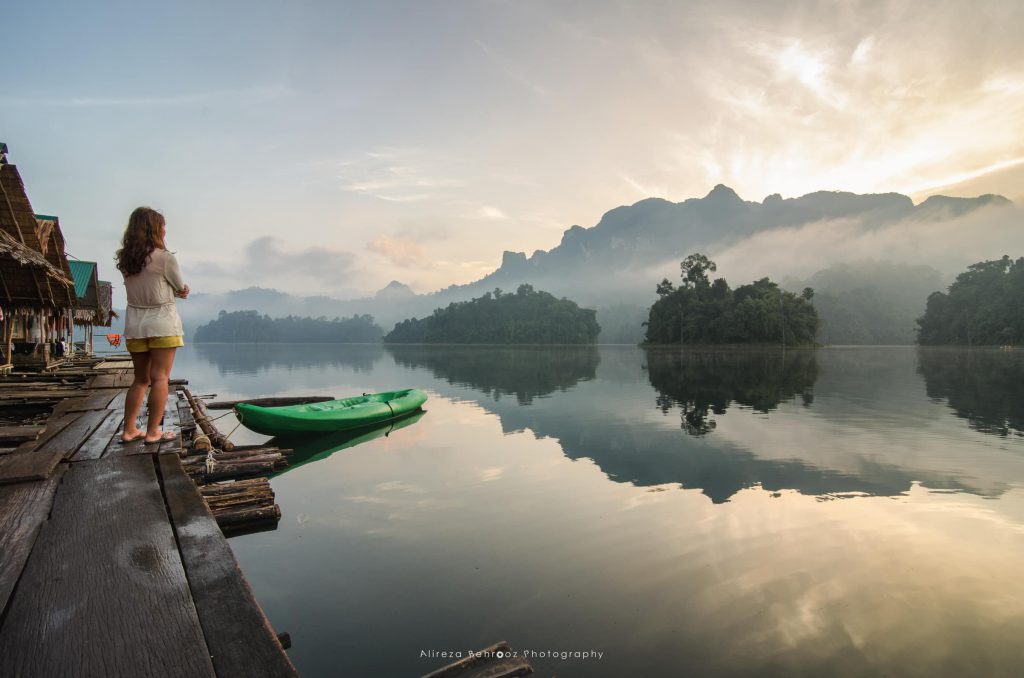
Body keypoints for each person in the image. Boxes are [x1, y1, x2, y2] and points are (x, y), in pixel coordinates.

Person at [115, 207, 189, 443]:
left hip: (135, 326)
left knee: (140, 379)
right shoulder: (165, 258)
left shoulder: (126, 260)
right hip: (162, 324)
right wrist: (183, 291)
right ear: (154, 228)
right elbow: (179, 288)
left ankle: (128, 430)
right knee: (160, 378)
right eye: (162, 225)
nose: (165, 229)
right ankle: (153, 432)